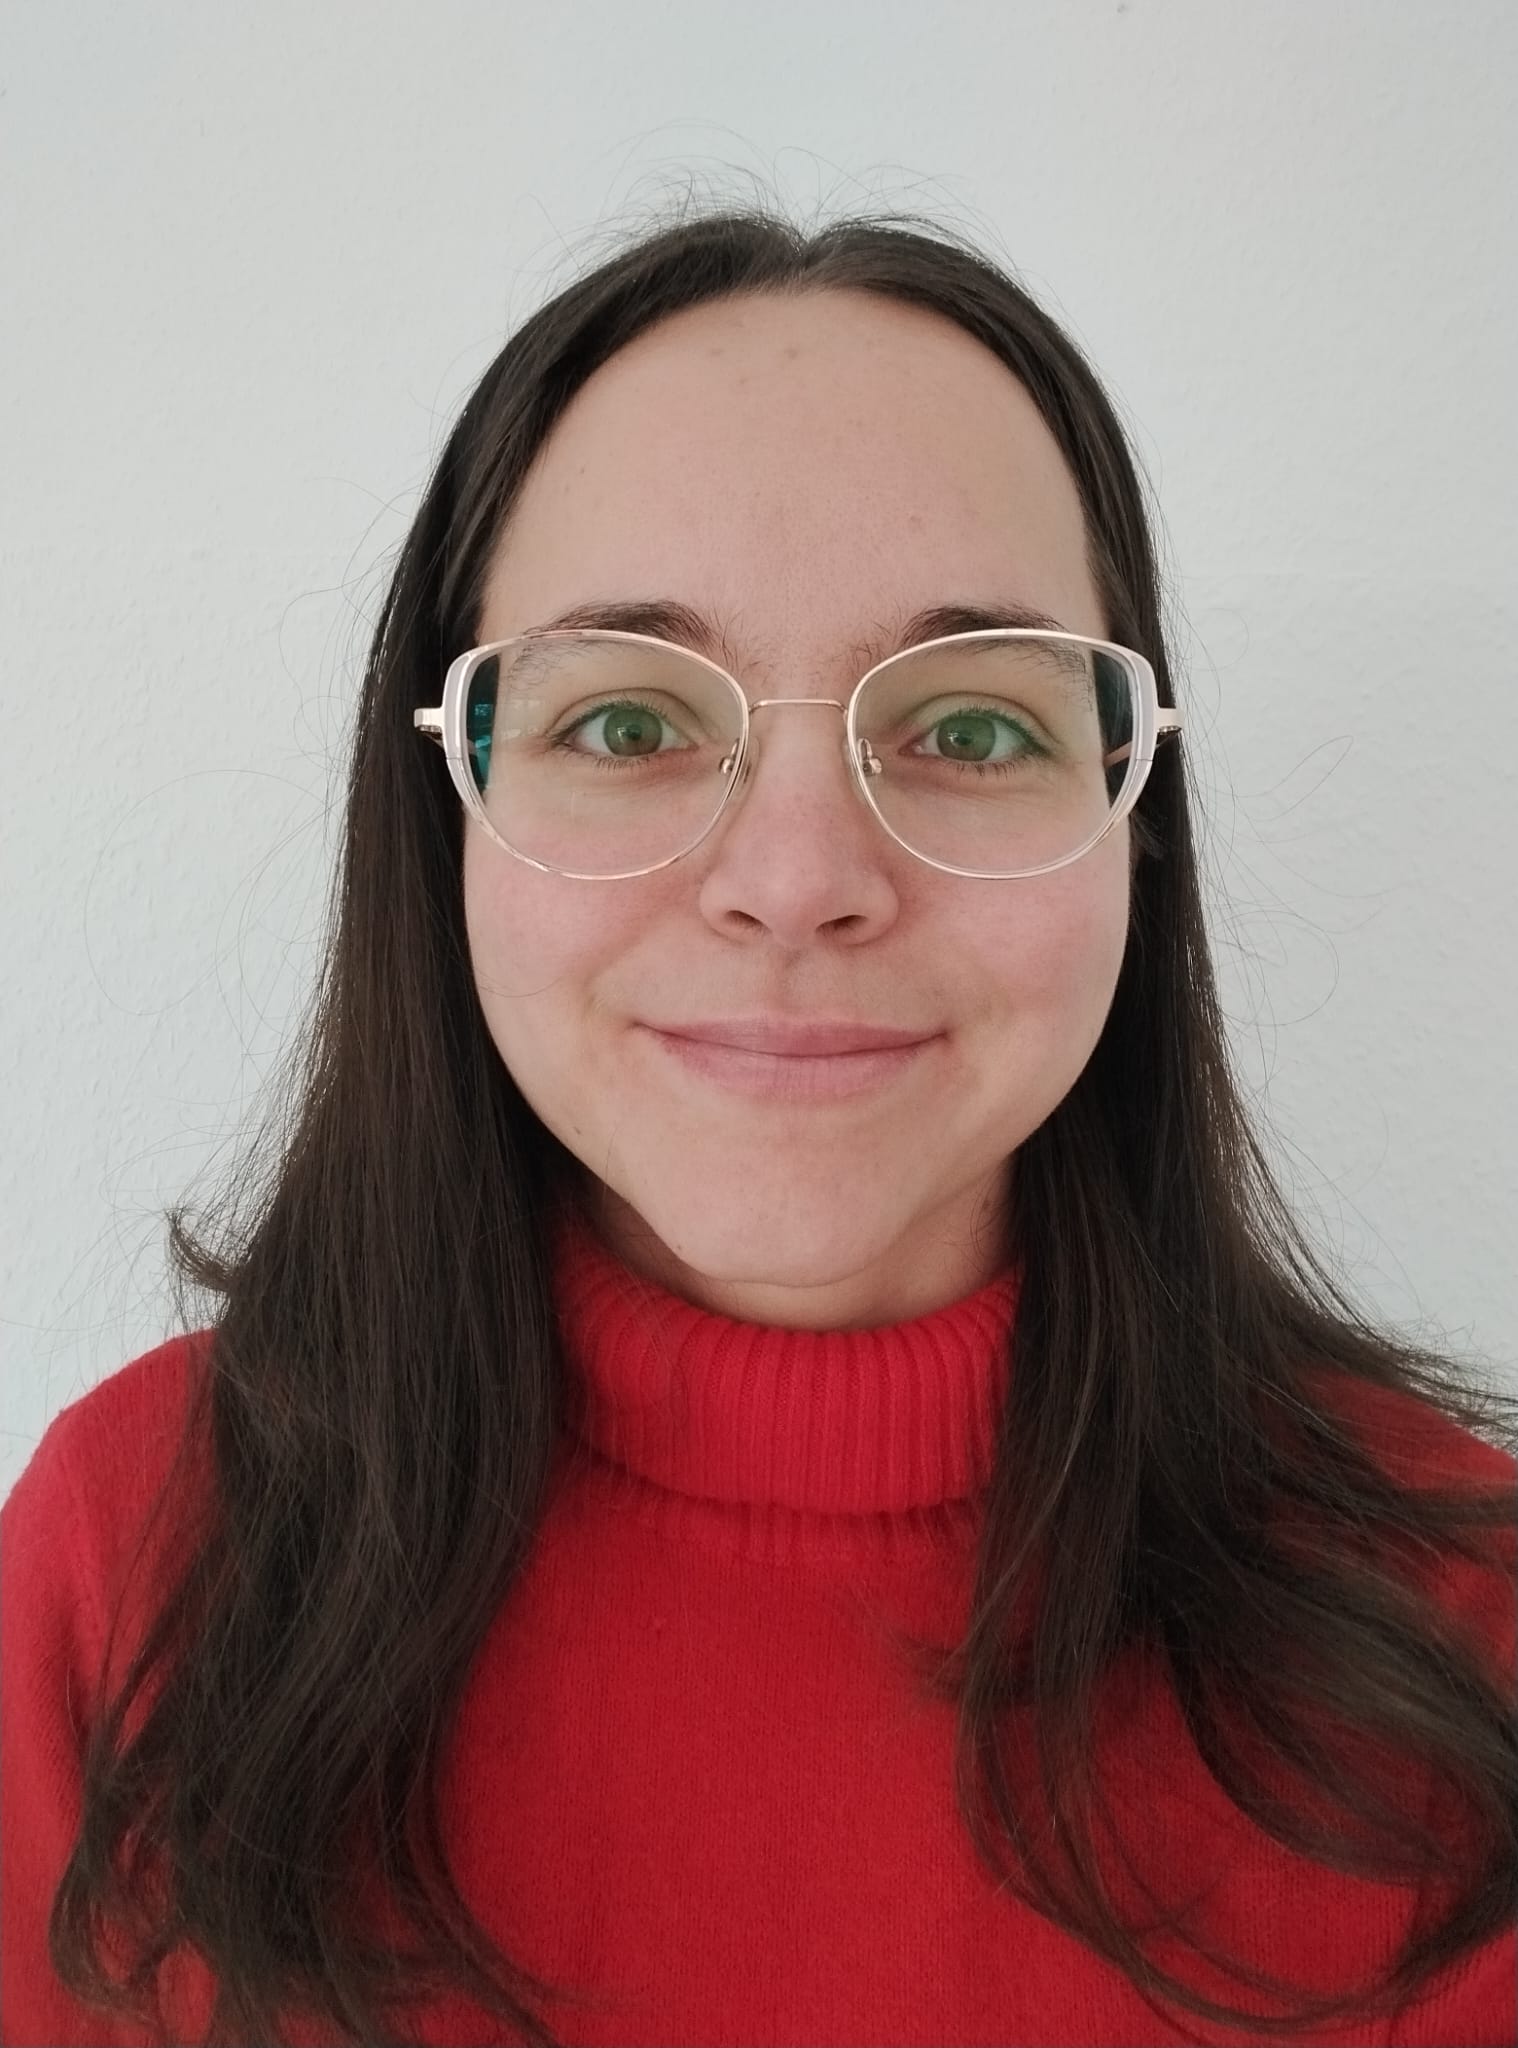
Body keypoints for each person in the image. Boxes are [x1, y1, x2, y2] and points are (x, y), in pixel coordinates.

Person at [3, 203, 1514, 2048]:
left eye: (970, 729)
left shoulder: (1469, 1647)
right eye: (628, 723)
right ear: (448, 813)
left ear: (1134, 823)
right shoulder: (131, 1562)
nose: (795, 880)